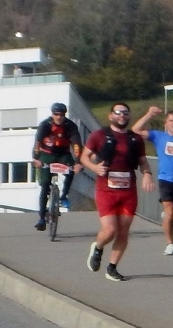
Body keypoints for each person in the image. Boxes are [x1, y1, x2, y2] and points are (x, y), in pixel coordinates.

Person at [81, 102, 155, 282]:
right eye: (118, 112)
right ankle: (98, 247)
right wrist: (94, 168)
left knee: (123, 232)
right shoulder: (99, 135)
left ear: (129, 116)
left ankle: (112, 268)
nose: (122, 115)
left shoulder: (135, 139)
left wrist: (147, 174)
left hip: (128, 191)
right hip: (106, 190)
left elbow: (142, 161)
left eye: (125, 113)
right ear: (111, 115)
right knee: (110, 230)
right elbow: (84, 157)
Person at [132, 106, 173, 255]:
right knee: (170, 211)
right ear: (165, 123)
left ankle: (168, 218)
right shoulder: (158, 136)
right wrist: (149, 114)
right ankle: (170, 244)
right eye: (171, 120)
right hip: (166, 180)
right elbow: (135, 130)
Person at [32, 102, 83, 230]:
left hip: (63, 154)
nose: (59, 117)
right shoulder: (45, 125)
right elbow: (37, 142)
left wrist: (78, 162)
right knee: (44, 187)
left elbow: (76, 144)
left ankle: (64, 195)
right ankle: (41, 218)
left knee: (71, 170)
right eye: (56, 114)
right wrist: (36, 158)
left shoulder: (70, 126)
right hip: (46, 154)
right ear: (52, 114)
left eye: (62, 115)